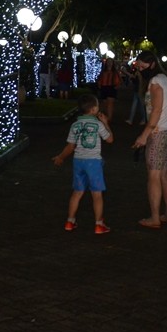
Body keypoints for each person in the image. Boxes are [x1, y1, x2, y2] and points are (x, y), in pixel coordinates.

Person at [132, 51, 167, 229]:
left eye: (142, 66)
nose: (140, 69)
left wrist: (144, 135)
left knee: (153, 176)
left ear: (152, 64)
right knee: (165, 174)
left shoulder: (155, 81)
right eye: (138, 66)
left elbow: (156, 110)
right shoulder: (165, 78)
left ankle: (154, 218)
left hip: (160, 132)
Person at [52, 94, 114, 234]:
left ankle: (70, 221)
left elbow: (70, 146)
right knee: (96, 194)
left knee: (77, 192)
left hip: (78, 161)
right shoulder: (98, 124)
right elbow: (110, 139)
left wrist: (61, 157)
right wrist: (106, 123)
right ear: (93, 109)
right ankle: (99, 224)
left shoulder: (75, 125)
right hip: (93, 162)